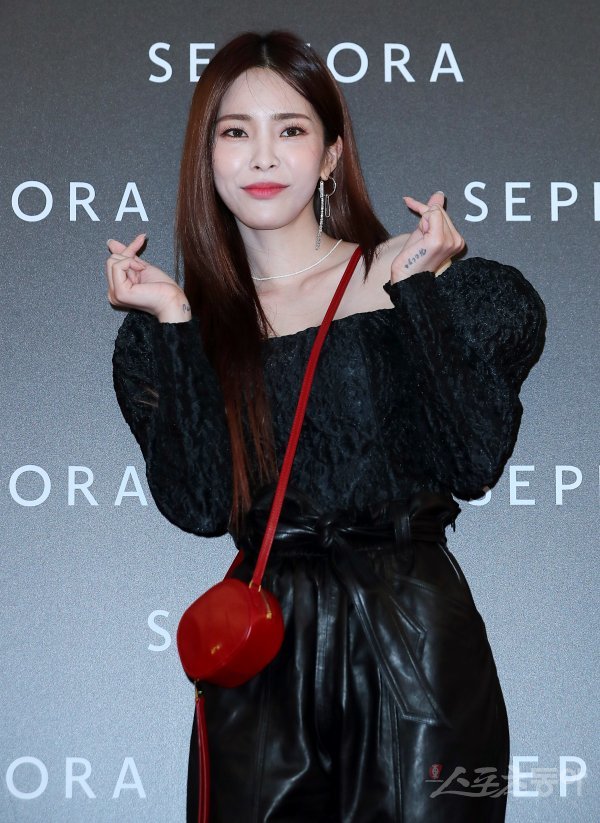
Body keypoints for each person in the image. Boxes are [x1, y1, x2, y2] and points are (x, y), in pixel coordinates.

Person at [106, 30, 545, 823]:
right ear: (207, 157)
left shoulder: (405, 272)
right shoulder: (179, 330)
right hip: (263, 657)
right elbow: (200, 504)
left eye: (291, 129)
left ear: (331, 154)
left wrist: (420, 294)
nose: (262, 156)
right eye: (235, 132)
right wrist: (173, 318)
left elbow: (472, 458)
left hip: (419, 647)